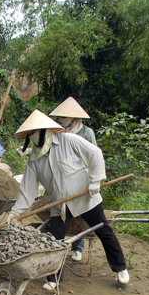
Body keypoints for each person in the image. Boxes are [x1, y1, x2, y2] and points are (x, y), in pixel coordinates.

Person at [6, 110, 129, 290]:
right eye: (28, 135)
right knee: (54, 240)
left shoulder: (68, 140)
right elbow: (28, 189)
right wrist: (16, 212)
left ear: (44, 130)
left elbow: (94, 153)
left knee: (104, 231)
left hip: (86, 197)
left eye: (32, 133)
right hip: (60, 205)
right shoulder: (34, 160)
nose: (31, 138)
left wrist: (95, 180)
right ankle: (54, 278)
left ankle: (121, 268)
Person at [49, 97, 96, 262]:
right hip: (63, 178)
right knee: (61, 213)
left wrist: (93, 181)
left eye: (66, 118)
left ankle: (78, 248)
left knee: (79, 213)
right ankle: (57, 248)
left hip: (81, 178)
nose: (63, 121)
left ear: (76, 119)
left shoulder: (86, 133)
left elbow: (94, 156)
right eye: (61, 118)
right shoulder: (60, 132)